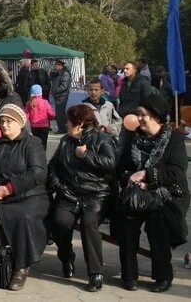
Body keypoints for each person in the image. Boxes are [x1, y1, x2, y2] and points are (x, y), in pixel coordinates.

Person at [116, 94, 189, 293]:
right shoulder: (132, 137)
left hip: (168, 194)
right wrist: (132, 178)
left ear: (156, 117)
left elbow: (176, 172)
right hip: (137, 194)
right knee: (127, 221)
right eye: (138, 114)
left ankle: (163, 275)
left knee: (157, 223)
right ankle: (129, 275)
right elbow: (121, 168)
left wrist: (147, 175)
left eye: (143, 114)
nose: (138, 118)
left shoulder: (174, 137)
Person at [0, 104, 49, 291]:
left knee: (23, 217)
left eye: (9, 121)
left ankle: (21, 267)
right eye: (2, 121)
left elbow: (38, 173)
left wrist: (9, 188)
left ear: (20, 123)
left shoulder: (32, 143)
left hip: (29, 195)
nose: (5, 125)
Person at [47, 105, 117, 292]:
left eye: (68, 120)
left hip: (96, 195)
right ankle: (66, 256)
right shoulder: (65, 141)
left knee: (89, 224)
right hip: (69, 194)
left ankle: (95, 272)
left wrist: (86, 154)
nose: (65, 123)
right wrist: (58, 185)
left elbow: (110, 164)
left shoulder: (103, 140)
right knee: (60, 222)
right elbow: (52, 166)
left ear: (79, 124)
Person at [24, 84, 55, 149]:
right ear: (41, 92)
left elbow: (25, 115)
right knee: (43, 143)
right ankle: (43, 156)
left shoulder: (29, 103)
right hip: (44, 126)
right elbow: (51, 114)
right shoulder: (45, 102)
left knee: (36, 143)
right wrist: (50, 118)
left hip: (34, 126)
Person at [50, 60, 72, 134]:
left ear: (62, 66)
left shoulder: (65, 74)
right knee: (59, 113)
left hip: (62, 95)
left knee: (60, 113)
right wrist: (52, 72)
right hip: (58, 95)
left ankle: (62, 129)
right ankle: (63, 127)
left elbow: (64, 86)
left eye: (58, 65)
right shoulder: (57, 73)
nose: (56, 66)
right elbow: (51, 79)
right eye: (55, 65)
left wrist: (56, 90)